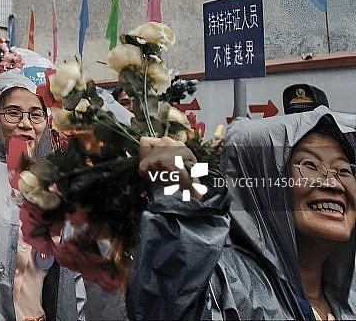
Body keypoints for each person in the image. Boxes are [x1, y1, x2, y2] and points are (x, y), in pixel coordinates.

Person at [129, 105, 356, 320]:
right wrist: (182, 202)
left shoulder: (350, 296)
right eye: (310, 165)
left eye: (344, 170)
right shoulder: (226, 283)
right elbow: (170, 298)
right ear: (262, 187)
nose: (333, 184)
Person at [0, 70, 124, 321]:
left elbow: (72, 279)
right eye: (13, 112)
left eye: (35, 115)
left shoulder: (53, 190)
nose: (25, 124)